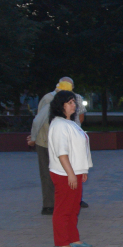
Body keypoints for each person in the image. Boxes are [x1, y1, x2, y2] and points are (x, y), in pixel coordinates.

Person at [28, 78, 86, 214]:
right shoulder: (51, 100)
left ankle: (63, 202)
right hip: (47, 142)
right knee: (53, 172)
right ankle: (50, 205)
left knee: (55, 172)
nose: (72, 104)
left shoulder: (65, 98)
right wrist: (35, 138)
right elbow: (38, 121)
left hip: (55, 141)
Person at [47, 90, 92, 247]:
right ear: (61, 105)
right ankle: (61, 243)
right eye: (70, 102)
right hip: (64, 173)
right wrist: (71, 173)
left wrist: (82, 169)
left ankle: (73, 239)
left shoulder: (70, 123)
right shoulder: (59, 125)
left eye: (74, 102)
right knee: (63, 209)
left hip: (74, 172)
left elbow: (79, 147)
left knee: (73, 209)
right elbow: (62, 153)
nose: (74, 105)